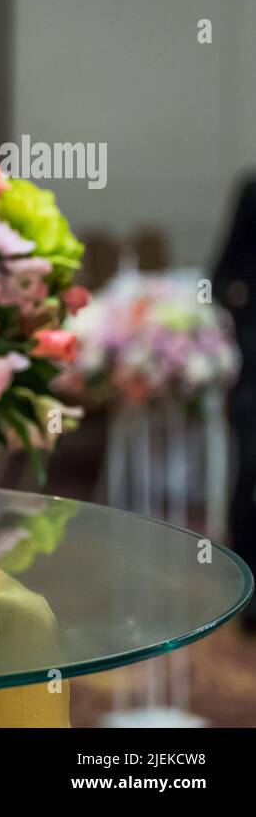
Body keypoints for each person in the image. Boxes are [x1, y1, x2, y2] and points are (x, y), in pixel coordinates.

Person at [212, 171, 256, 633]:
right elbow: (221, 278)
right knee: (250, 472)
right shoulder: (251, 189)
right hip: (254, 368)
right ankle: (248, 593)